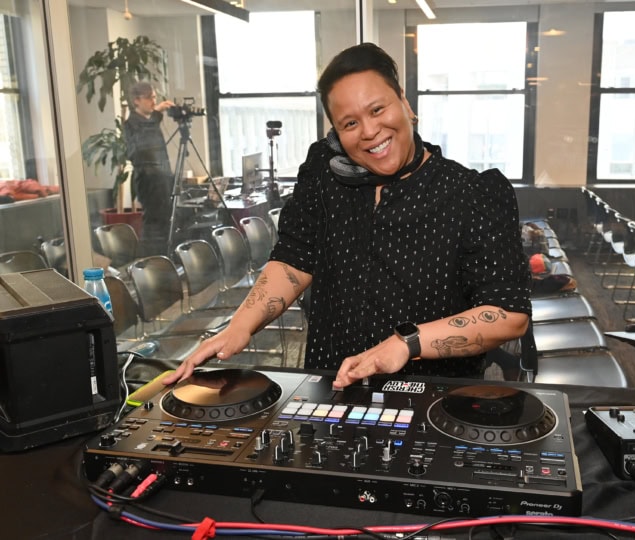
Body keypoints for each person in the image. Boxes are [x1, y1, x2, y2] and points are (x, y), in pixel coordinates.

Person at [163, 43, 532, 389]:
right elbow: (294, 259)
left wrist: (408, 343)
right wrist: (239, 326)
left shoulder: (474, 193)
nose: (370, 132)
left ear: (405, 103)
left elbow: (508, 314)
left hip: (429, 398)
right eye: (350, 123)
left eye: (378, 109)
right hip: (330, 389)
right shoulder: (324, 172)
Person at [123, 81, 175, 255]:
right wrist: (157, 113)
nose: (153, 102)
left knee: (165, 220)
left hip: (162, 178)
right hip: (148, 181)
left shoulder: (150, 121)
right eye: (148, 98)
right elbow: (139, 148)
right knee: (153, 223)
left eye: (154, 97)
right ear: (136, 100)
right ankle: (150, 260)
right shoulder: (132, 124)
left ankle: (163, 258)